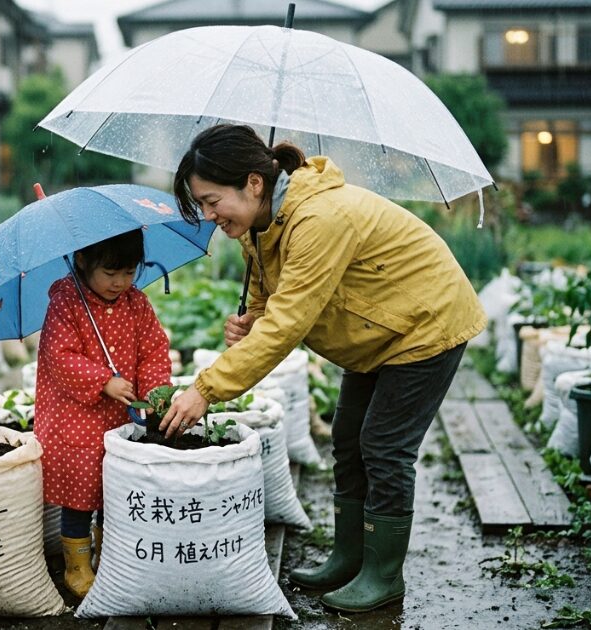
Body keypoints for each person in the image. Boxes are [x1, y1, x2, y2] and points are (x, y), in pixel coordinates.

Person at [160, 124, 485, 613]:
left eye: (211, 200)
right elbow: (271, 301)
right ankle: (349, 557)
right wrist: (252, 321)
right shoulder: (262, 222)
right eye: (200, 205)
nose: (208, 215)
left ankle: (383, 576)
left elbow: (289, 320)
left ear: (252, 183)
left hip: (423, 323)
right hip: (375, 333)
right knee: (348, 438)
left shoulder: (319, 218)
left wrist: (206, 388)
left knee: (384, 446)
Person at [34, 228, 173, 598]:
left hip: (119, 418)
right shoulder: (66, 302)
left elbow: (154, 350)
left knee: (116, 489)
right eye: (110, 273)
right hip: (75, 419)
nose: (120, 282)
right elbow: (58, 356)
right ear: (82, 261)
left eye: (129, 273)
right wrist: (103, 381)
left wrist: (155, 389)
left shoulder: (136, 303)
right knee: (80, 495)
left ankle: (111, 555)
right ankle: (76, 566)